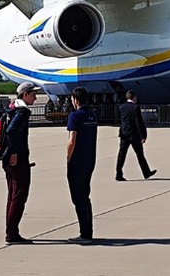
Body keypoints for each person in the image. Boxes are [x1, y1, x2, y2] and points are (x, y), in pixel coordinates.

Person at [2, 82, 38, 244]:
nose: (36, 97)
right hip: (18, 159)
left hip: (7, 159)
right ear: (25, 94)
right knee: (19, 196)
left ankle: (11, 231)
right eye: (33, 94)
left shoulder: (11, 108)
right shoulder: (22, 112)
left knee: (12, 196)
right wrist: (15, 153)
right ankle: (12, 234)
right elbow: (11, 131)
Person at [65, 87, 97, 244]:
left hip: (77, 161)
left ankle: (85, 234)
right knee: (85, 196)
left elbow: (72, 141)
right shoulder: (92, 115)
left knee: (78, 198)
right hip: (90, 160)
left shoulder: (74, 116)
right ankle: (88, 230)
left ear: (75, 100)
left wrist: (68, 158)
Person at [115, 90, 156, 181]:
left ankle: (118, 173)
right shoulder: (135, 107)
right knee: (140, 154)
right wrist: (143, 135)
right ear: (134, 97)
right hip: (134, 135)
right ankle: (146, 172)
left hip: (124, 134)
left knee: (122, 154)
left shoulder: (122, 107)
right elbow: (139, 122)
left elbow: (122, 120)